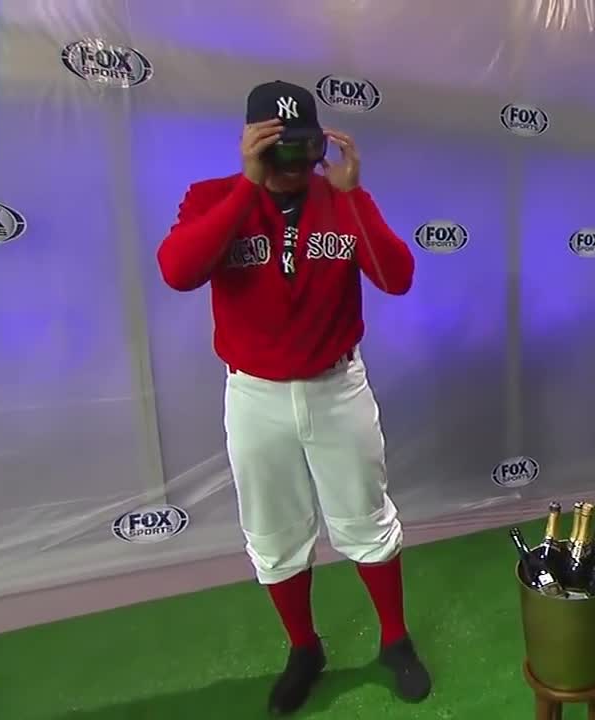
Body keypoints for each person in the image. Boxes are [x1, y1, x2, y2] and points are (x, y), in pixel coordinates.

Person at [156, 80, 430, 714]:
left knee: (365, 517)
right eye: (275, 146)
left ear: (319, 144)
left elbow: (397, 278)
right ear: (251, 141)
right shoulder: (214, 197)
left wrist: (353, 194)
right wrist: (247, 185)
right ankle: (304, 648)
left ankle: (395, 638)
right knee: (275, 534)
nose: (291, 163)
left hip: (338, 386)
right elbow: (178, 270)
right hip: (255, 395)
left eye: (301, 146)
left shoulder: (341, 200)